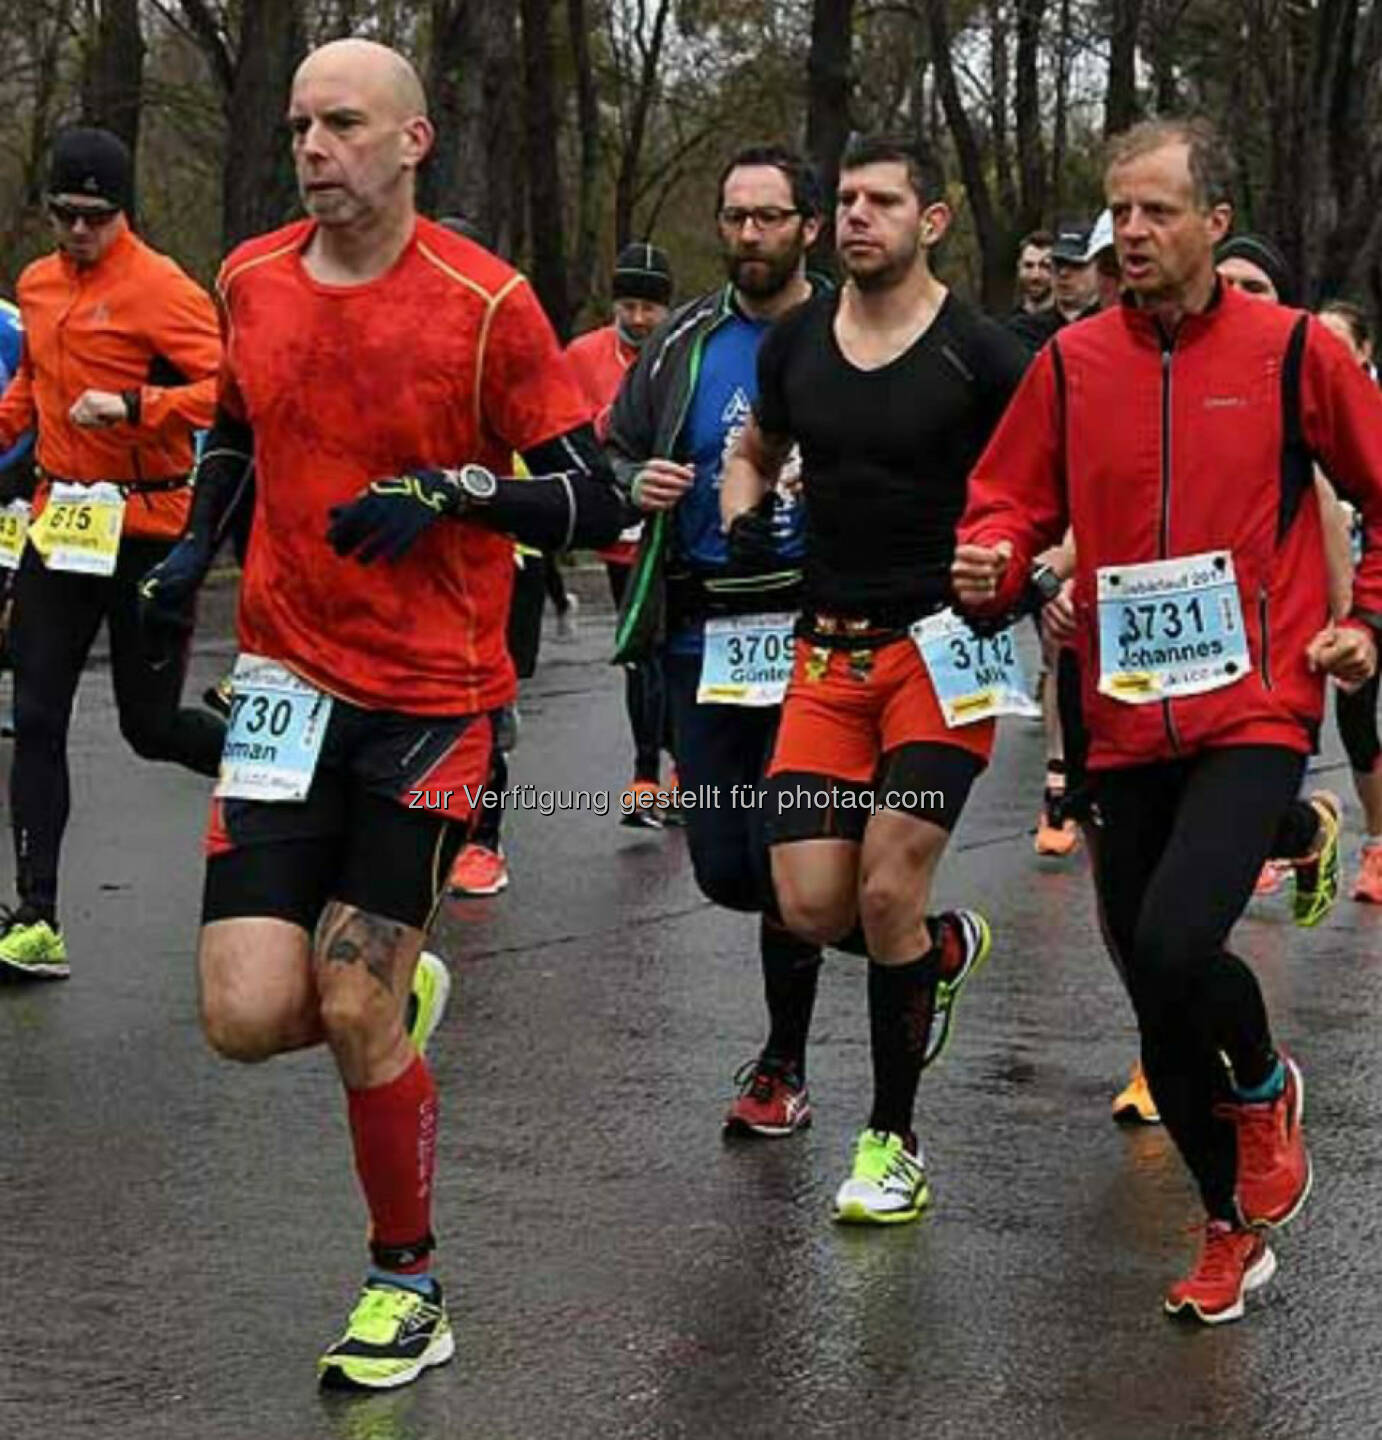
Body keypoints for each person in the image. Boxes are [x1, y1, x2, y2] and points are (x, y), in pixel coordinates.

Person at [137, 38, 621, 1389]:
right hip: (289, 689)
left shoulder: (486, 304)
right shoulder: (249, 277)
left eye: (340, 123)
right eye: (298, 124)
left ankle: (405, 1283)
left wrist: (452, 494)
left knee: (347, 1006)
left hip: (429, 701)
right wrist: (189, 552)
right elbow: (234, 428)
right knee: (243, 1018)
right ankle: (397, 998)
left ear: (412, 141)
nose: (311, 147)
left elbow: (588, 494)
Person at [954, 116, 1382, 1324]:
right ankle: (1225, 1226)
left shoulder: (1293, 352)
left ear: (1208, 217)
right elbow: (1005, 496)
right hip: (1115, 714)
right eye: (1115, 214)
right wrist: (992, 557)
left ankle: (1261, 1078)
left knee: (1173, 941)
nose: (1127, 234)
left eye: (1152, 212)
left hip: (1251, 703)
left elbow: (1378, 487)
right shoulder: (1069, 362)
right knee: (1149, 994)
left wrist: (1369, 623)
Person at [721, 134, 1027, 1221]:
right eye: (844, 199)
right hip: (823, 651)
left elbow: (1073, 487)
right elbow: (752, 449)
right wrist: (742, 514)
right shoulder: (796, 343)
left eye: (881, 202)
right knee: (807, 903)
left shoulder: (980, 355)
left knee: (887, 885)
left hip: (942, 652)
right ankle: (932, 957)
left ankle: (890, 1140)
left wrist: (1025, 573)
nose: (856, 217)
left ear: (929, 221)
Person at [608, 143, 825, 1133]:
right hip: (706, 628)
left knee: (791, 852)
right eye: (734, 217)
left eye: (767, 217)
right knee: (725, 868)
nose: (747, 236)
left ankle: (782, 1065)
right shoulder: (683, 337)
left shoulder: (848, 330)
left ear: (807, 228)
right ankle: (920, 946)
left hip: (825, 628)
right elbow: (616, 443)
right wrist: (632, 482)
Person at [0, 127, 226, 979]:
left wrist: (137, 407)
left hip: (147, 530)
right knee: (40, 716)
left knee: (151, 727)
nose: (76, 233)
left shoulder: (162, 289)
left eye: (93, 217)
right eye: (62, 214)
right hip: (63, 523)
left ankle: (276, 770)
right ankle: (37, 916)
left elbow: (228, 389)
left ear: (121, 211)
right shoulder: (37, 283)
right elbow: (33, 389)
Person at [567, 242, 674, 815]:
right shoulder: (581, 357)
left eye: (649, 308)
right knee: (639, 653)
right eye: (628, 305)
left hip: (677, 527)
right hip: (619, 531)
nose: (637, 319)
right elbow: (563, 436)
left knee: (672, 651)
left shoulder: (683, 349)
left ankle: (676, 771)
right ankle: (644, 776)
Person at [1012, 229, 1054, 316]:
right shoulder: (1005, 326)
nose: (1035, 276)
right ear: (1019, 267)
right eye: (1029, 266)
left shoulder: (1072, 326)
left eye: (1045, 266)